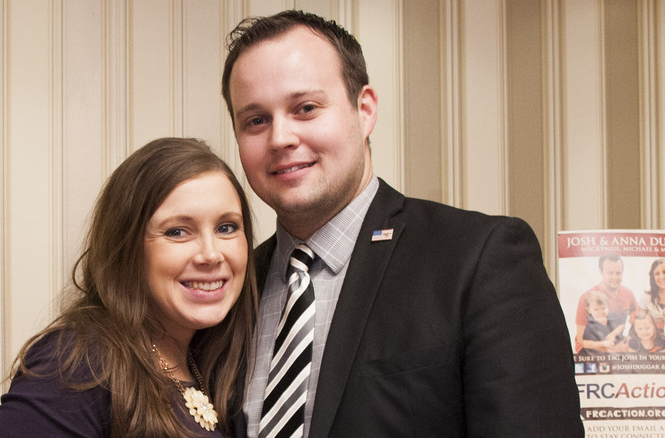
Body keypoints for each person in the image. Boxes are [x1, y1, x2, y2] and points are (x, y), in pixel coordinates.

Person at [221, 9, 583, 437]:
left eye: (305, 108)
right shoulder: (233, 288)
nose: (280, 137)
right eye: (256, 120)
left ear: (365, 108)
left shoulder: (479, 259)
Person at [0, 138, 257, 437]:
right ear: (127, 246)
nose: (211, 254)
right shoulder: (76, 366)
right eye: (177, 231)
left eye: (226, 227)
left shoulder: (211, 366)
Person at [574, 253, 638, 352]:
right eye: (610, 273)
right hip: (593, 353)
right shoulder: (586, 298)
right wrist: (611, 349)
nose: (615, 277)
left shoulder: (627, 293)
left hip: (617, 349)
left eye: (618, 273)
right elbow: (580, 340)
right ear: (601, 272)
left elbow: (638, 321)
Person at [579, 290, 624, 355]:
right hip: (595, 354)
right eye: (596, 309)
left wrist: (613, 334)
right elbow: (585, 343)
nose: (601, 312)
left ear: (608, 307)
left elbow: (622, 325)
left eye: (603, 308)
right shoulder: (589, 325)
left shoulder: (612, 316)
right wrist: (603, 343)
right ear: (588, 310)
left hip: (613, 348)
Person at [638, 258, 665, 331]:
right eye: (657, 274)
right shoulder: (646, 298)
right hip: (653, 338)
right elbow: (639, 323)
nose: (661, 277)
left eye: (664, 272)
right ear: (653, 277)